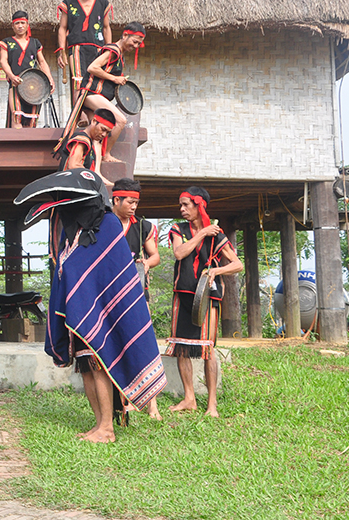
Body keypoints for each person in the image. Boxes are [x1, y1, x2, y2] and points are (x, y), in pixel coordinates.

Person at [17, 169, 166, 443]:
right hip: (79, 316)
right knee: (86, 367)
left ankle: (107, 428)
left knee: (99, 367)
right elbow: (68, 271)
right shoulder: (71, 232)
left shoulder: (107, 224)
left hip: (104, 316)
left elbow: (111, 271)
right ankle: (99, 425)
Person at [166, 187, 243, 418]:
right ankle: (189, 398)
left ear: (199, 206)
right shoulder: (178, 229)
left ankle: (212, 404)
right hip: (183, 293)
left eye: (185, 205)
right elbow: (179, 253)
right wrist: (201, 234)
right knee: (181, 348)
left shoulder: (218, 235)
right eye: (180, 205)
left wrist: (217, 270)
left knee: (208, 350)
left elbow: (237, 264)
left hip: (207, 298)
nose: (181, 209)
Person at [111, 178, 162, 420]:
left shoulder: (142, 226)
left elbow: (155, 256)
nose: (134, 207)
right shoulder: (104, 224)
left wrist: (146, 264)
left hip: (137, 293)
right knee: (117, 345)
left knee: (143, 344)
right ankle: (125, 401)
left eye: (137, 202)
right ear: (116, 199)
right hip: (110, 294)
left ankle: (152, 405)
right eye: (130, 202)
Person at [75, 22, 146, 160]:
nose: (135, 46)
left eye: (139, 44)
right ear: (125, 35)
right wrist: (114, 79)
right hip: (90, 93)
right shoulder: (113, 51)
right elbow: (92, 68)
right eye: (135, 42)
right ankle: (106, 154)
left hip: (97, 96)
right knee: (120, 120)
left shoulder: (120, 55)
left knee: (95, 135)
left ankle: (92, 164)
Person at [56, 0, 113, 103]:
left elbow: (106, 28)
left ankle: (95, 115)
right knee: (78, 81)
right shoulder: (68, 3)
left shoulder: (102, 3)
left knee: (97, 81)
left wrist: (109, 50)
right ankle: (79, 114)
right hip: (77, 48)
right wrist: (61, 52)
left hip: (98, 47)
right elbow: (62, 28)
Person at [0, 11, 54, 128]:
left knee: (32, 122)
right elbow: (3, 61)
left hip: (34, 85)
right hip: (16, 83)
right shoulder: (7, 42)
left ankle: (29, 146)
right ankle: (15, 145)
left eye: (23, 23)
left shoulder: (35, 43)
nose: (20, 26)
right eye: (17, 23)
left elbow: (42, 62)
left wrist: (50, 79)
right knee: (16, 116)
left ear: (27, 25)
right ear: (13, 26)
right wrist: (12, 76)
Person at [60, 108, 115, 187]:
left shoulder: (90, 143)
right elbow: (73, 165)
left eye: (107, 132)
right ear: (94, 121)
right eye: (103, 129)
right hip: (71, 188)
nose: (104, 134)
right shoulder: (82, 139)